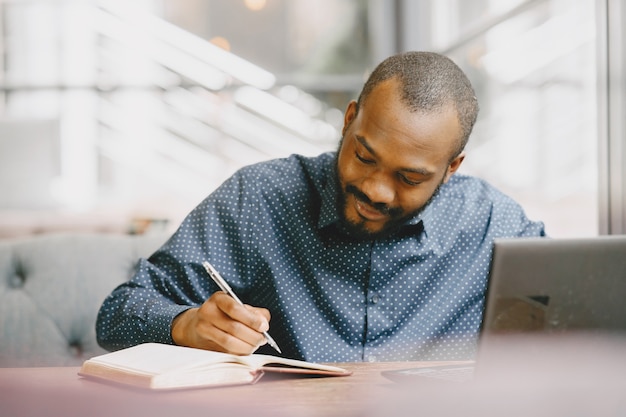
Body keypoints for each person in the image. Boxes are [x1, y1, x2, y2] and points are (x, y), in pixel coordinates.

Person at [96, 51, 545, 362]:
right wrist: (186, 326)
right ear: (349, 120)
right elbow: (117, 315)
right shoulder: (259, 199)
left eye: (409, 178)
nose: (377, 190)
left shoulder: (496, 225)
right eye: (364, 157)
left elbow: (578, 327)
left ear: (451, 168)